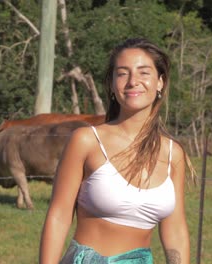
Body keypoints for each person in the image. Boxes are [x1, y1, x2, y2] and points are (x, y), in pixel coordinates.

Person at [39, 38, 195, 264]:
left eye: (144, 73)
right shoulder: (86, 141)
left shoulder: (174, 154)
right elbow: (59, 216)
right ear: (112, 84)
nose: (133, 81)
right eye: (122, 73)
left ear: (160, 82)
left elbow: (176, 230)